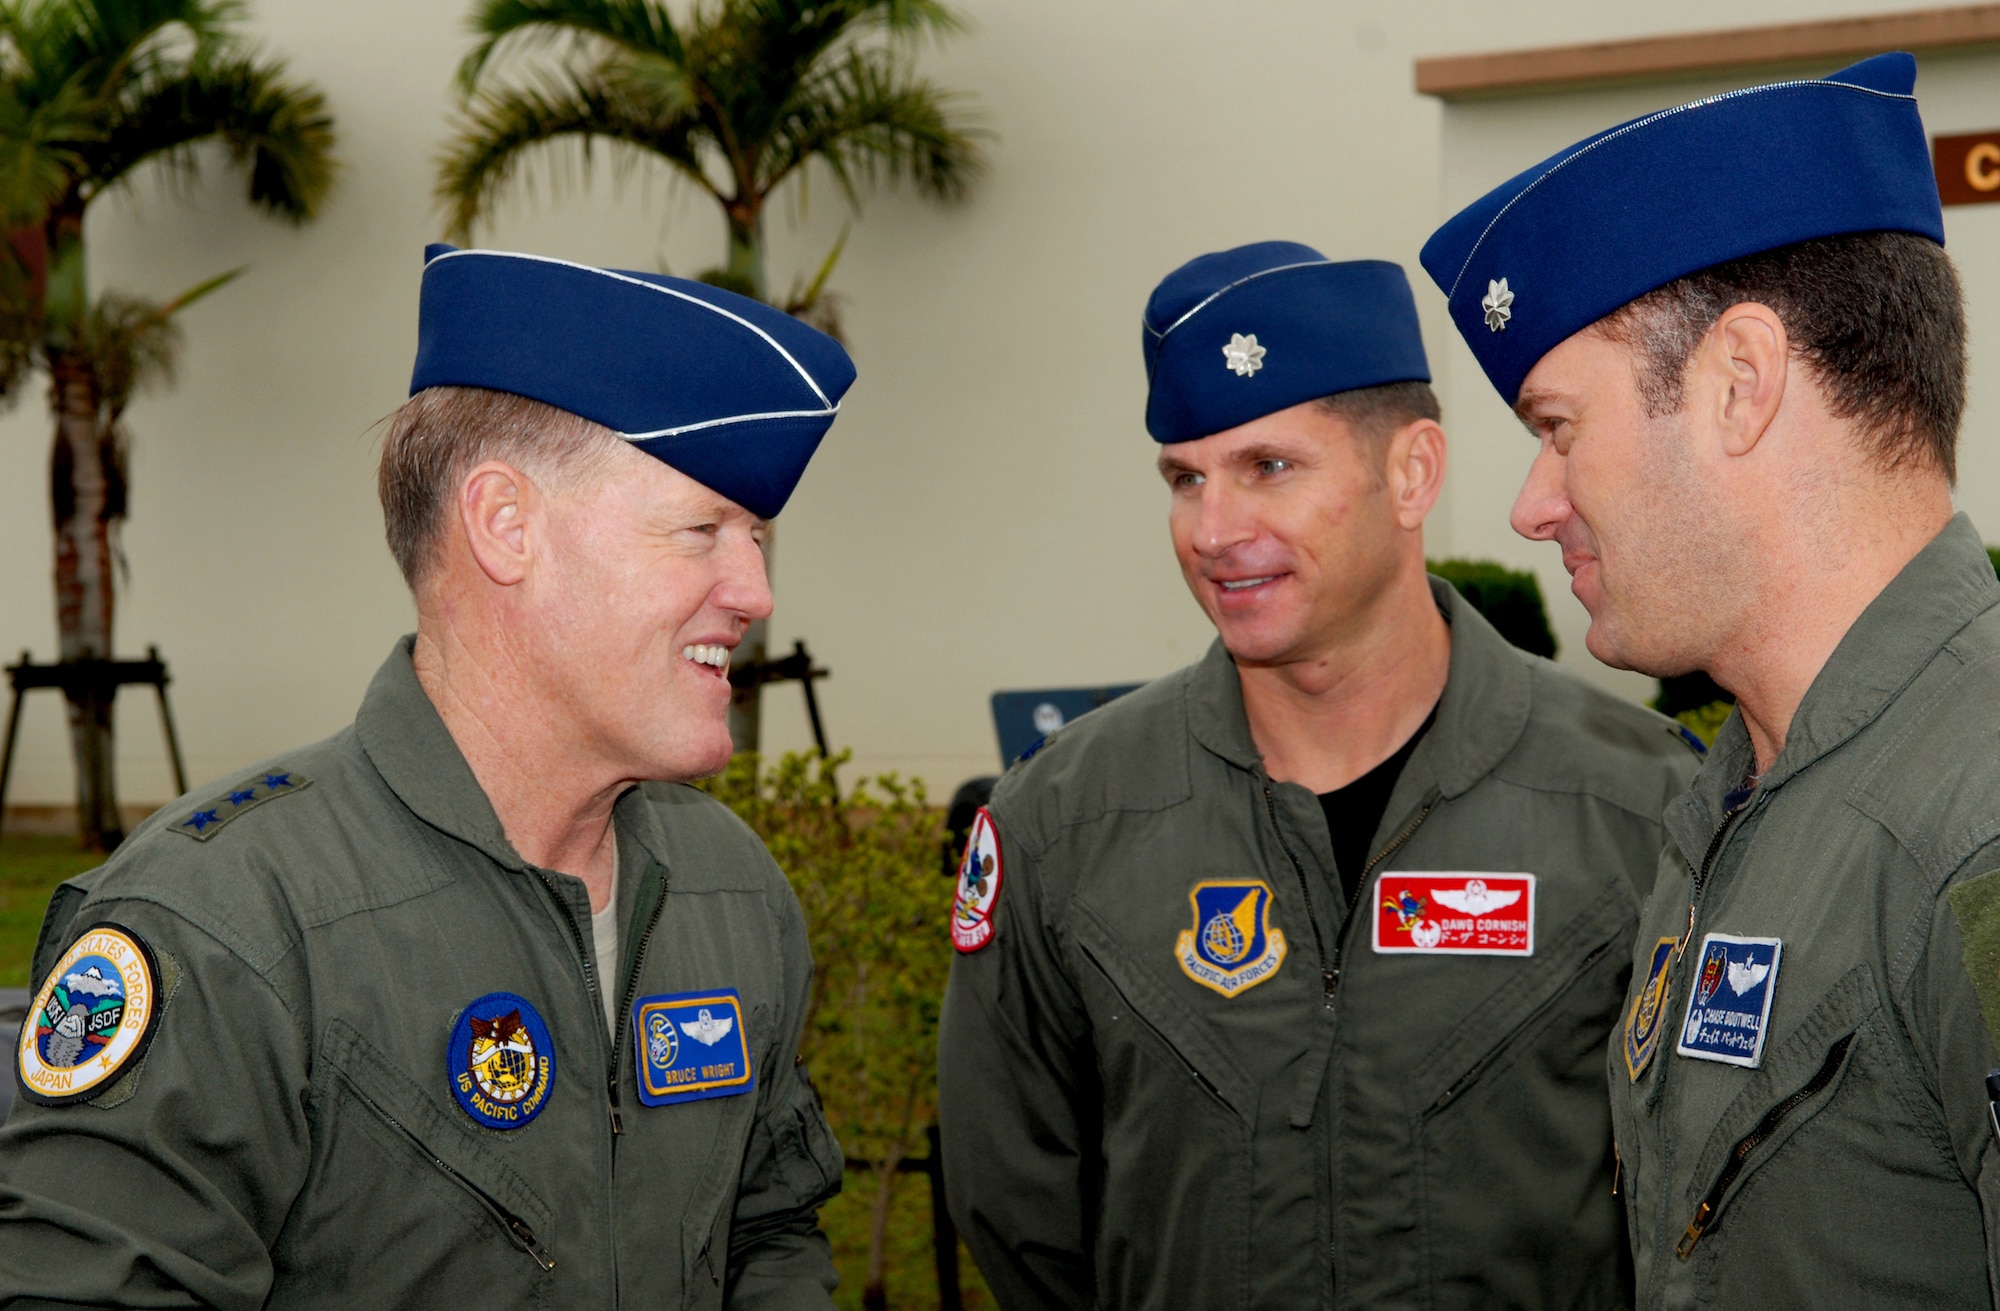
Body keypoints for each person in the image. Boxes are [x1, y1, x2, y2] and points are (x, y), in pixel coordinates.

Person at [0, 244, 856, 1308]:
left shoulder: (725, 886)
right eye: (702, 531)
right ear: (505, 526)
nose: (754, 589)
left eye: (758, 535)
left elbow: (768, 1231)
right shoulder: (223, 924)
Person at [936, 241, 1700, 1310]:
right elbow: (1017, 1206)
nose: (1213, 531)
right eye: (1184, 479)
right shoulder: (1064, 821)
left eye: (1269, 468)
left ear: (1411, 472)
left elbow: (1699, 1211)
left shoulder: (1635, 806)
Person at [1421, 51, 2000, 1306]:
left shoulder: (1972, 817)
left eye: (1556, 428)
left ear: (1738, 382)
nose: (1530, 506)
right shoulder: (1736, 799)